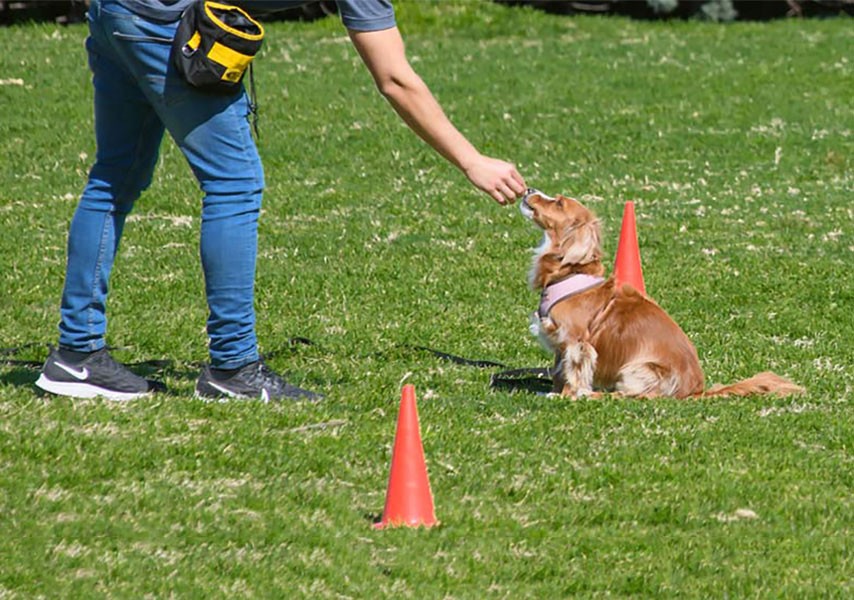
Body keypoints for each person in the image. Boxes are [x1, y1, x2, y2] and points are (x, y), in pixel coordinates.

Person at [35, 0, 527, 402]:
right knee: (233, 184)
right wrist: (471, 160)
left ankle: (76, 355)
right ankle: (234, 368)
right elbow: (394, 78)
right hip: (164, 23)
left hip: (113, 12)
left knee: (113, 179)